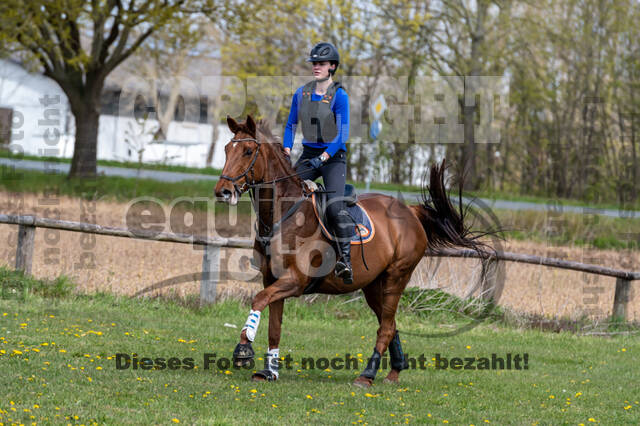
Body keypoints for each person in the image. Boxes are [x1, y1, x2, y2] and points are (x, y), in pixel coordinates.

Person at [282, 41, 353, 284]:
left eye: (321, 63)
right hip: (308, 155)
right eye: (314, 63)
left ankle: (345, 258)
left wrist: (322, 158)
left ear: (332, 66)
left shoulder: (340, 96)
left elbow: (342, 135)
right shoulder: (301, 94)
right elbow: (291, 124)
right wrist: (287, 148)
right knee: (283, 195)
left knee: (334, 207)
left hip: (333, 159)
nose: (316, 67)